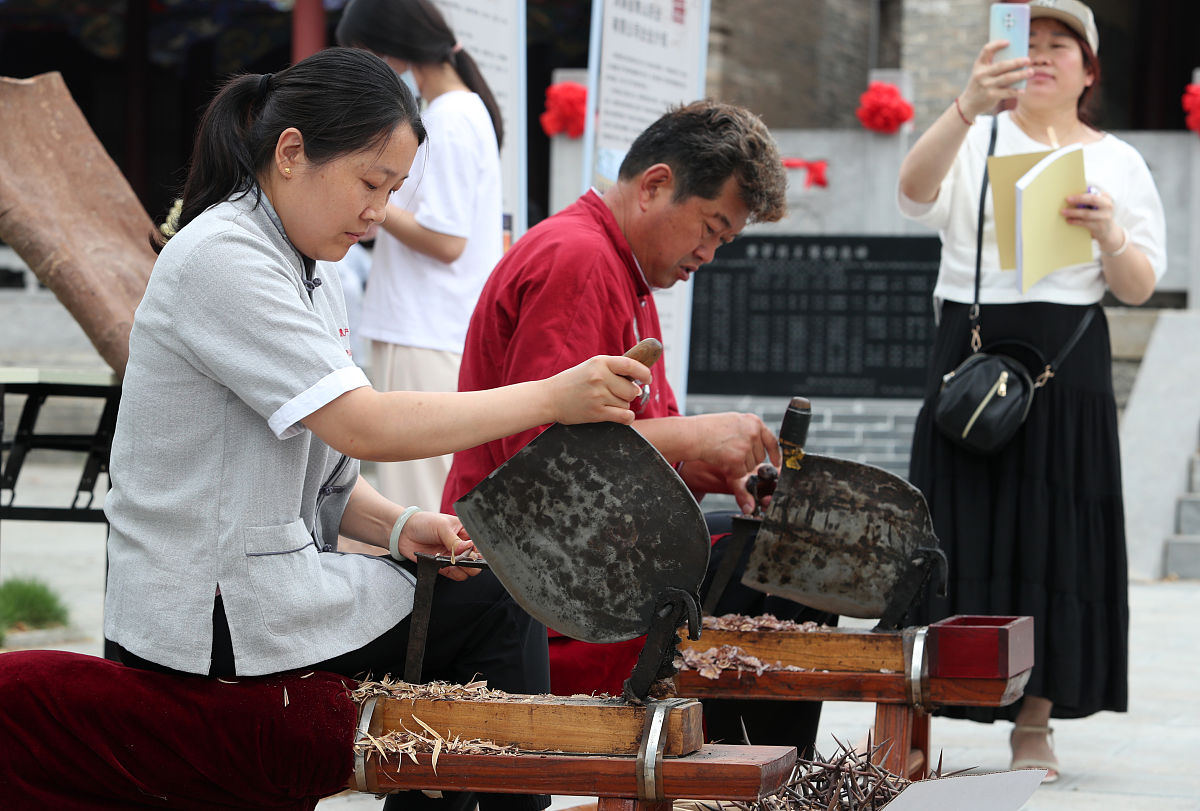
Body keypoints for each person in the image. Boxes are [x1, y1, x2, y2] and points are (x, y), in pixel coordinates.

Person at [102, 47, 649, 811]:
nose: (378, 211)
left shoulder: (311, 269)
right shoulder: (223, 255)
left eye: (392, 190)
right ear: (291, 152)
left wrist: (400, 526)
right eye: (370, 183)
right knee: (498, 607)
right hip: (205, 608)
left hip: (264, 589)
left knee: (490, 596)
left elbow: (324, 473)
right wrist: (553, 396)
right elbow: (362, 424)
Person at [440, 100, 835, 757]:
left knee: (786, 545)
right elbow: (538, 466)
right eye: (710, 228)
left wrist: (714, 465)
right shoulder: (580, 259)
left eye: (723, 241)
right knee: (789, 562)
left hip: (589, 558)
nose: (708, 253)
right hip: (539, 577)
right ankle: (754, 786)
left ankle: (751, 782)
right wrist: (692, 437)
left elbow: (629, 448)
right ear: (655, 185)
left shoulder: (625, 273)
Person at [896, 0, 1165, 783]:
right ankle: (916, 707)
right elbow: (912, 194)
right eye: (1030, 42)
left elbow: (1139, 284)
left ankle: (1035, 720)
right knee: (951, 529)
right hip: (973, 346)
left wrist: (1109, 233)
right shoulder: (976, 134)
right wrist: (965, 106)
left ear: (1089, 70)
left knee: (1057, 535)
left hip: (1067, 361)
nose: (1043, 55)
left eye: (1061, 44)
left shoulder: (1119, 161)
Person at [336, 0, 505, 513]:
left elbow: (446, 239)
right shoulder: (456, 111)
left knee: (422, 512)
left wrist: (368, 197)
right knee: (430, 506)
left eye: (365, 54)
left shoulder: (449, 119)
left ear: (388, 46)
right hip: (429, 329)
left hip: (424, 331)